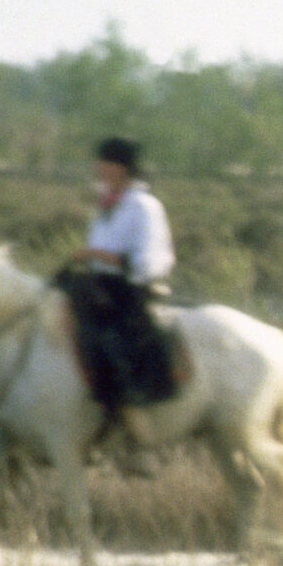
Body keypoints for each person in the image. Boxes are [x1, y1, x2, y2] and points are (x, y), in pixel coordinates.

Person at [56, 135, 180, 450]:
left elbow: (146, 260)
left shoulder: (144, 206)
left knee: (111, 341)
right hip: (102, 283)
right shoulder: (106, 203)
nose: (100, 167)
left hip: (134, 288)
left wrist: (94, 255)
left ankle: (132, 423)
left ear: (122, 168)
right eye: (100, 161)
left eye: (107, 162)